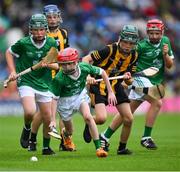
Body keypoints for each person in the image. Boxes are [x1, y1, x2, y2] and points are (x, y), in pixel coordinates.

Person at [100, 19, 174, 152]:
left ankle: (104, 136)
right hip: (139, 77)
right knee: (157, 103)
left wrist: (165, 54)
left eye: (157, 33)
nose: (154, 36)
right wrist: (125, 78)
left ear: (162, 32)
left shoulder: (165, 42)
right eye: (151, 33)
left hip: (154, 80)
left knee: (127, 114)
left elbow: (169, 66)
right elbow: (128, 59)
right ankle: (146, 137)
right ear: (147, 33)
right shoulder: (140, 46)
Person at [5, 14, 57, 155]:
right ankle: (27, 127)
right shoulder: (23, 43)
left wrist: (49, 65)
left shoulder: (52, 43)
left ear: (46, 29)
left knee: (47, 117)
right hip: (26, 80)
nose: (39, 33)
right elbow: (8, 53)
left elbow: (56, 64)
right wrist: (12, 71)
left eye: (41, 30)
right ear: (31, 30)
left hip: (44, 82)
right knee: (30, 111)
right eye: (35, 30)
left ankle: (46, 147)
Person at [82, 25, 139, 154]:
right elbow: (86, 59)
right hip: (98, 85)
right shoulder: (109, 50)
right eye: (125, 42)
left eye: (131, 43)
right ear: (120, 39)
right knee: (101, 118)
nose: (127, 45)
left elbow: (129, 80)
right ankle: (90, 122)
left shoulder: (134, 55)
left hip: (116, 86)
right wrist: (88, 75)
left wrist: (129, 78)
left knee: (129, 118)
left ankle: (122, 148)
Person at [50, 47, 117, 157]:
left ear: (76, 62)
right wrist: (53, 119)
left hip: (80, 96)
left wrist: (110, 92)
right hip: (65, 102)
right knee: (70, 131)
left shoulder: (84, 67)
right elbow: (54, 99)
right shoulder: (59, 78)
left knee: (88, 117)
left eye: (69, 63)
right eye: (63, 64)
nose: (66, 67)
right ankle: (65, 135)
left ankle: (99, 148)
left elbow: (102, 72)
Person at [29, 4, 69, 152]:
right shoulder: (40, 36)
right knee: (45, 113)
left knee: (63, 111)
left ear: (59, 17)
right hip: (46, 78)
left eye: (54, 16)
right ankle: (32, 137)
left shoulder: (64, 33)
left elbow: (66, 53)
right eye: (49, 17)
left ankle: (64, 141)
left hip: (61, 76)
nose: (52, 20)